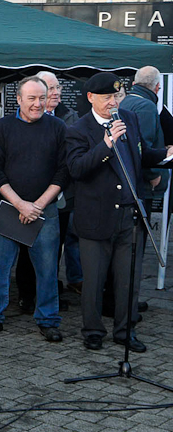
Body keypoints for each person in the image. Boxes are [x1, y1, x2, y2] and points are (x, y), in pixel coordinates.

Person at [66, 72, 173, 352]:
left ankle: (126, 331)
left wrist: (164, 154)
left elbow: (140, 153)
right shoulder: (79, 129)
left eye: (117, 96)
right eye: (107, 98)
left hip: (130, 214)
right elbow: (77, 168)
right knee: (94, 280)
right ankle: (92, 331)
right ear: (90, 98)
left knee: (128, 279)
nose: (113, 102)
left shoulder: (129, 118)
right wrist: (107, 144)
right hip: (97, 217)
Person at [0, 76, 69, 343]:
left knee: (48, 269)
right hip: (8, 207)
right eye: (31, 98)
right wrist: (19, 204)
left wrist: (38, 205)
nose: (37, 104)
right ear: (18, 99)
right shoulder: (3, 127)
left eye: (42, 97)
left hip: (45, 211)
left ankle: (48, 319)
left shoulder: (58, 127)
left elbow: (64, 171)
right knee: (0, 268)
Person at [102, 66, 169, 318]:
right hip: (139, 190)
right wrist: (153, 176)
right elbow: (144, 147)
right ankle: (123, 304)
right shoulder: (148, 108)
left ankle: (113, 300)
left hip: (120, 189)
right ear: (157, 88)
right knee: (132, 251)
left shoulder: (127, 102)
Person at [15, 70, 81, 314]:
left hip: (59, 199)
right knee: (25, 249)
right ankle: (26, 294)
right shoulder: (19, 121)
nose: (52, 94)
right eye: (47, 89)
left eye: (55, 89)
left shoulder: (69, 118)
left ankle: (49, 296)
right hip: (23, 200)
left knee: (53, 250)